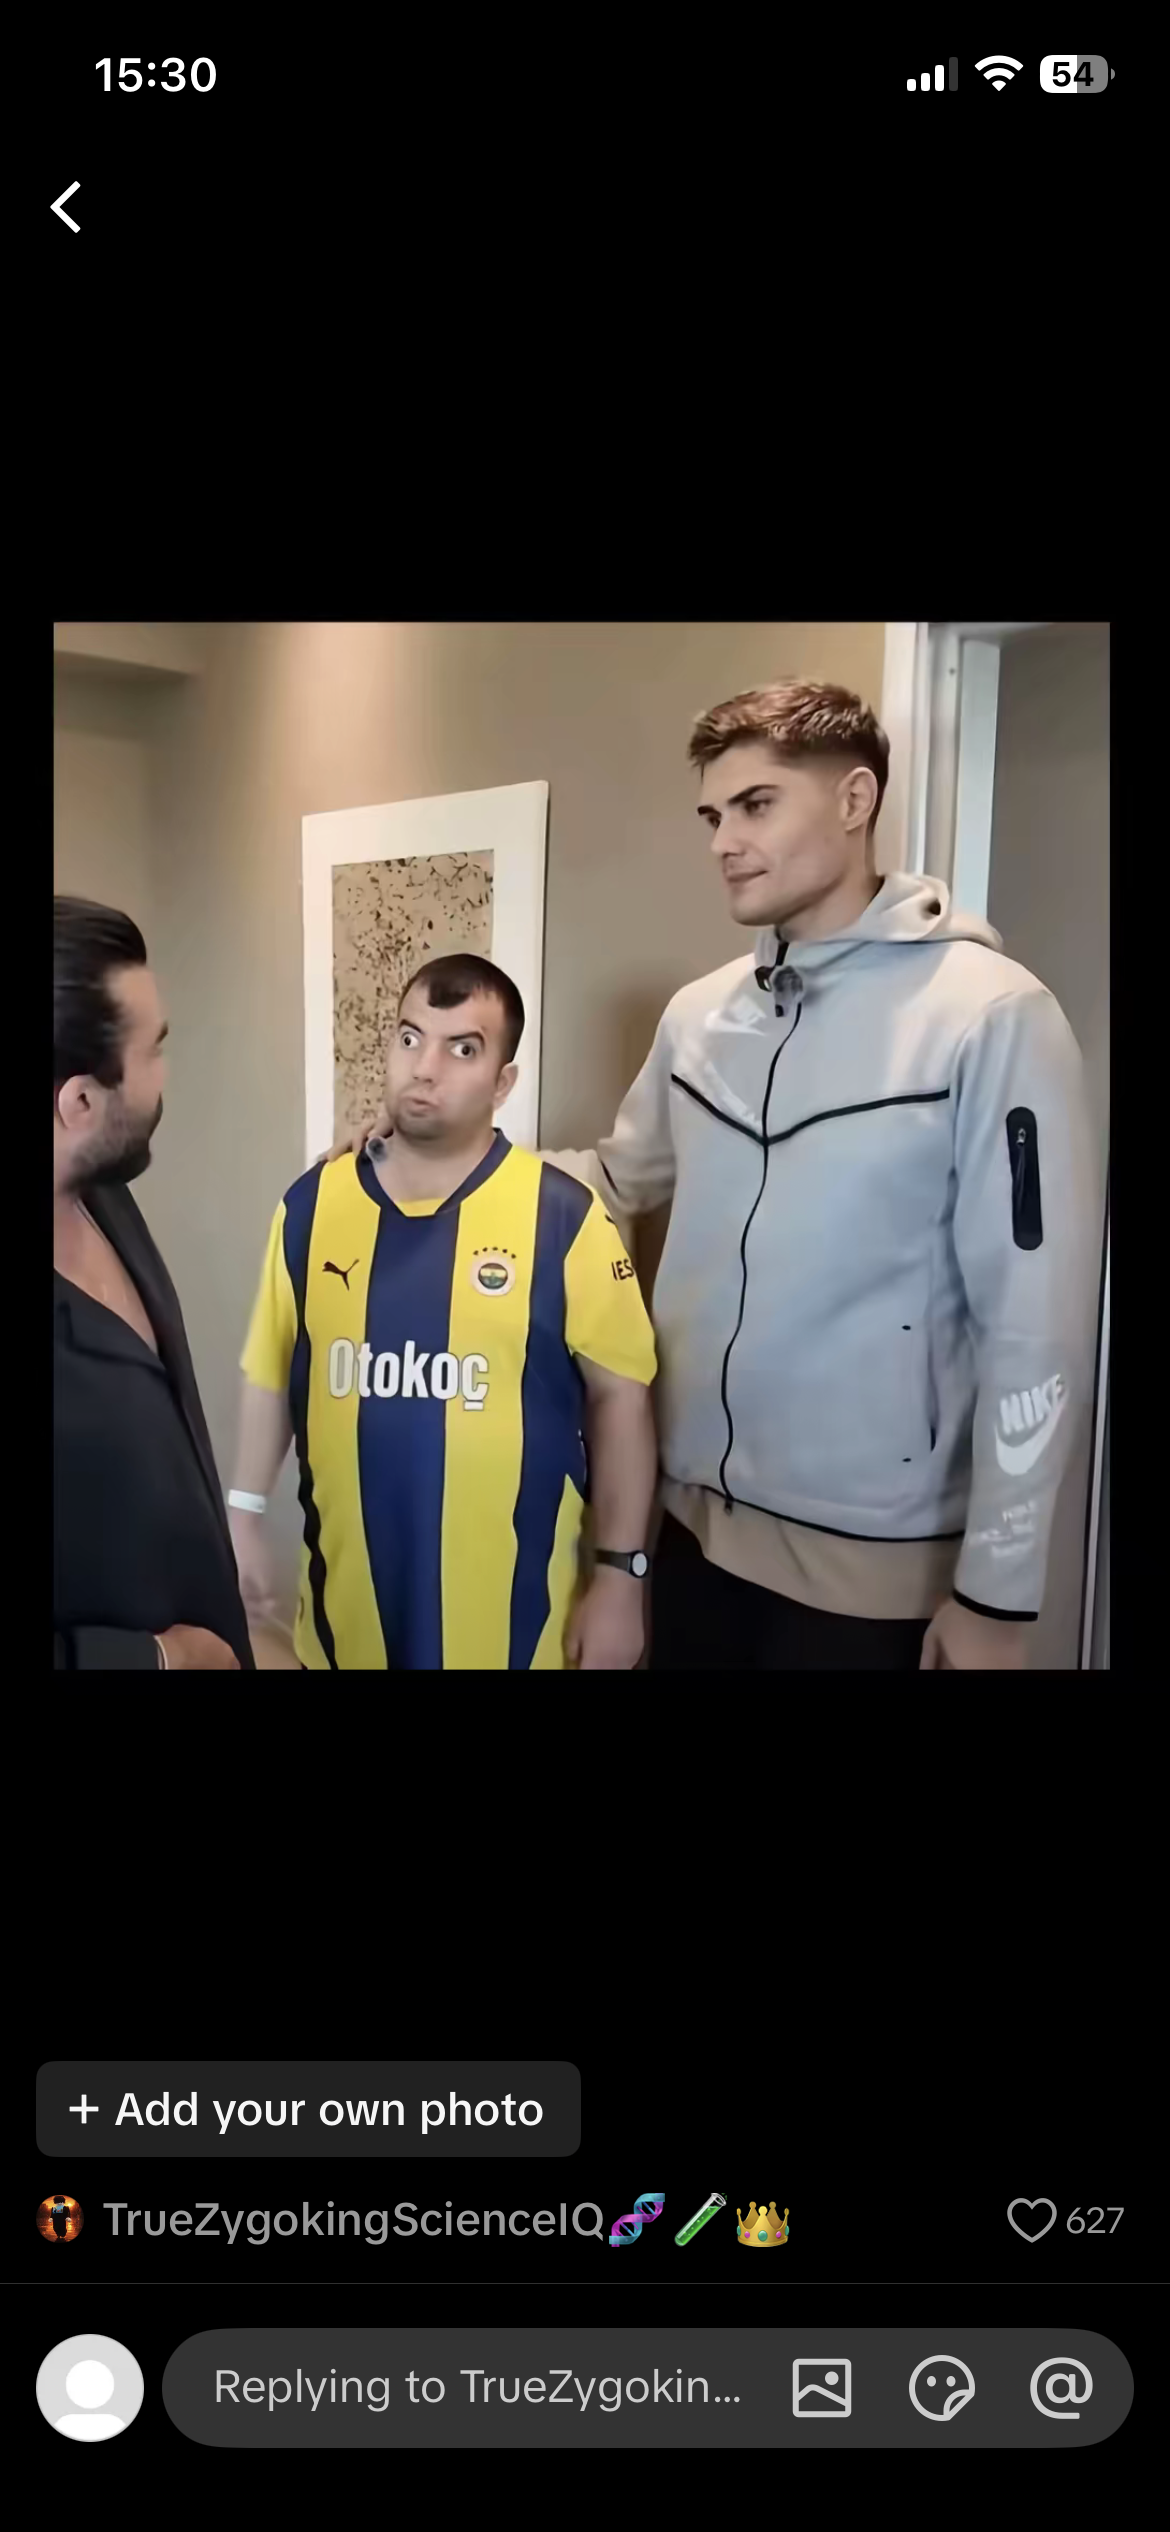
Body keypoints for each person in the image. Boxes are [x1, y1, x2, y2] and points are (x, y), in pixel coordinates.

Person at [349, 680, 1098, 1672]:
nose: (723, 842)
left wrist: (998, 1596)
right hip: (685, 1539)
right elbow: (613, 1180)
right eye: (713, 815)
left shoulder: (991, 1017)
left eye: (756, 805)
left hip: (873, 1575)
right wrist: (431, 1162)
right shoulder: (699, 1018)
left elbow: (1036, 1323)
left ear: (855, 799)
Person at [230, 954, 657, 1670]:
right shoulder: (311, 1206)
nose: (424, 1068)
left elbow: (623, 1400)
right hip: (344, 1629)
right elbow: (271, 1368)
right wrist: (242, 1514)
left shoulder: (564, 1219)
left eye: (462, 1049)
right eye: (410, 1038)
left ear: (503, 1082)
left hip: (517, 1635)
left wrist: (621, 1576)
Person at [54, 898, 253, 1673]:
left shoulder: (104, 1190)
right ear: (79, 1102)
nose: (165, 1074)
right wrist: (159, 1660)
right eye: (155, 1050)